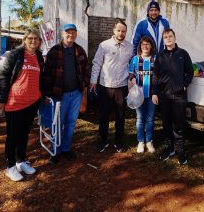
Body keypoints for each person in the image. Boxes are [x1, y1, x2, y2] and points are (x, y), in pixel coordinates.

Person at [0, 28, 44, 182]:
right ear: (24, 39)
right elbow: (3, 76)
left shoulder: (39, 56)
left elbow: (39, 78)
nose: (33, 41)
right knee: (13, 136)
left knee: (24, 134)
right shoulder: (15, 55)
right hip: (15, 102)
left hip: (32, 101)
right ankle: (10, 166)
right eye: (30, 38)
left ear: (39, 41)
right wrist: (1, 99)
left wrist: (42, 96)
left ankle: (21, 161)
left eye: (36, 38)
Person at [42, 24, 89, 164]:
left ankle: (66, 149)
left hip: (75, 94)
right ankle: (55, 151)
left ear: (76, 34)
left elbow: (86, 71)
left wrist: (84, 90)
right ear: (63, 34)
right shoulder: (54, 51)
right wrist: (48, 94)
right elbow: (46, 74)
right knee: (56, 124)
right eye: (68, 32)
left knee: (71, 123)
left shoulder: (80, 51)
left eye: (73, 32)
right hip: (58, 95)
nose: (71, 35)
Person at [90, 19, 133, 153]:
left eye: (124, 31)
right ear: (114, 31)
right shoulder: (104, 45)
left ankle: (119, 142)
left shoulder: (130, 47)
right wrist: (93, 81)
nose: (121, 33)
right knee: (104, 115)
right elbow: (97, 63)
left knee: (120, 116)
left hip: (121, 87)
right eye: (119, 30)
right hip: (105, 86)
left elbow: (132, 65)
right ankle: (103, 141)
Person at [152, 28, 194, 165]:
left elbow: (190, 72)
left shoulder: (183, 54)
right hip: (164, 96)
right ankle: (169, 147)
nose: (168, 39)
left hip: (179, 96)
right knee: (166, 123)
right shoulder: (160, 56)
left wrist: (184, 85)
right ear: (163, 40)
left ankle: (180, 150)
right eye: (165, 37)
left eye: (170, 36)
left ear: (175, 38)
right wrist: (154, 92)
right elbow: (156, 76)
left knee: (179, 124)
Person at [129, 36, 156, 154]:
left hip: (151, 95)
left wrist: (156, 93)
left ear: (151, 46)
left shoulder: (155, 59)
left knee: (150, 119)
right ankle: (141, 141)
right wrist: (133, 80)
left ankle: (149, 141)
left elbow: (159, 76)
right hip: (138, 95)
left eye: (147, 44)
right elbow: (130, 74)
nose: (145, 46)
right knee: (140, 119)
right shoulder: (135, 59)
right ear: (140, 46)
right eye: (143, 44)